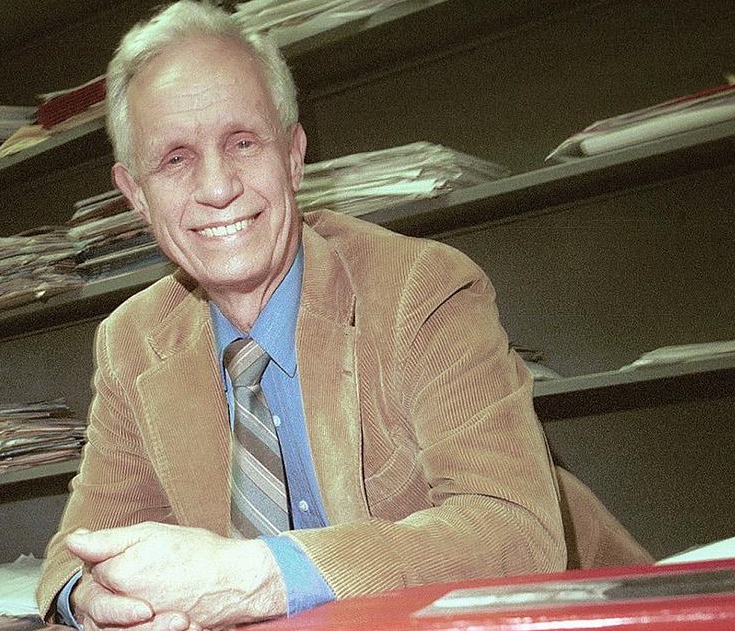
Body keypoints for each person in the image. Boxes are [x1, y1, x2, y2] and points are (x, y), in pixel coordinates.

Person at [37, 1, 571, 629]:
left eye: (242, 143)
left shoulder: (421, 289)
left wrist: (261, 575)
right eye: (175, 158)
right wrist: (91, 603)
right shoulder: (134, 339)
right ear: (136, 195)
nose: (217, 188)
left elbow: (517, 531)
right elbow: (73, 553)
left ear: (293, 156)